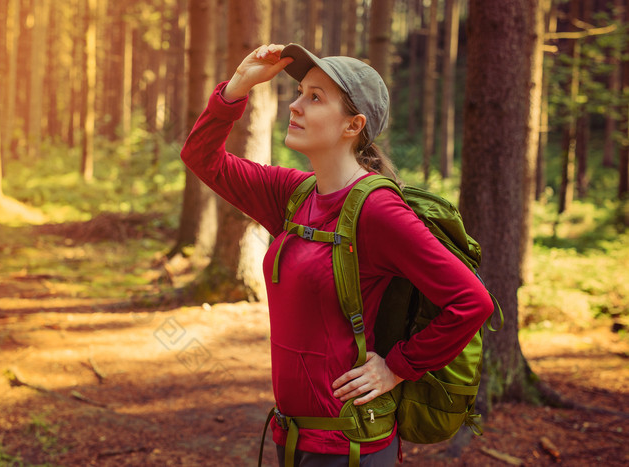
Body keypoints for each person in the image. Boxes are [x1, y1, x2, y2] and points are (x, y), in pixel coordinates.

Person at [180, 43, 494, 466]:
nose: (295, 106)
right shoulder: (294, 193)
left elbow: (472, 301)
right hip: (292, 436)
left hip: (349, 446)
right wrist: (236, 87)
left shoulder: (377, 210)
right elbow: (202, 158)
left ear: (353, 125)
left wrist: (398, 367)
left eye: (315, 97)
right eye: (299, 93)